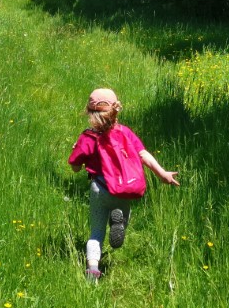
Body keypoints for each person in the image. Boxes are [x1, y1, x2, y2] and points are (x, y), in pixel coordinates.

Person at [68, 87, 180, 281]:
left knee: (96, 232)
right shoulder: (125, 132)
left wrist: (77, 152)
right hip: (123, 189)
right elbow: (143, 154)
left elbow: (76, 168)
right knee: (121, 217)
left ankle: (93, 270)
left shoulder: (87, 137)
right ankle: (118, 223)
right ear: (116, 110)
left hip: (100, 189)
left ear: (90, 111)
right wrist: (162, 174)